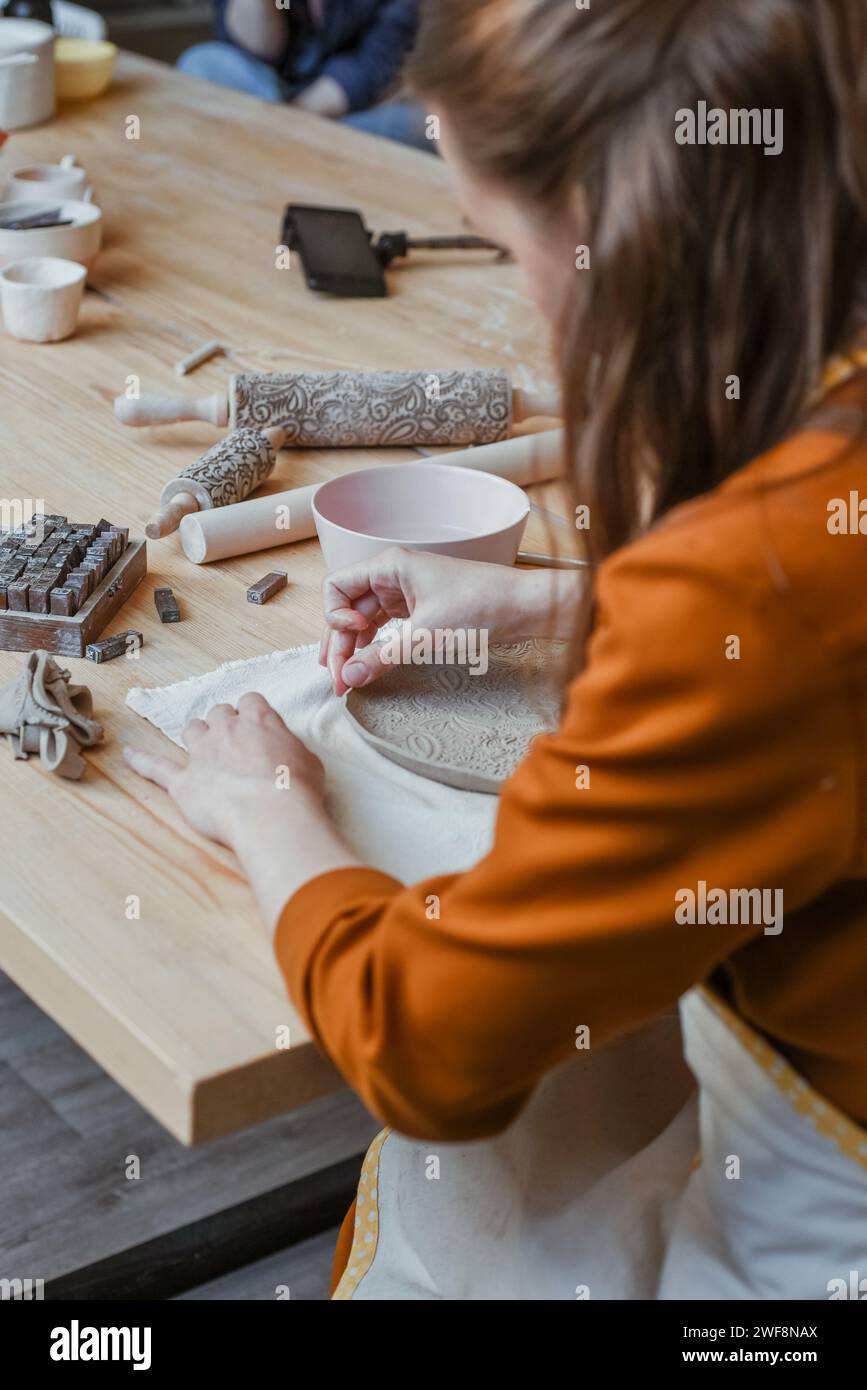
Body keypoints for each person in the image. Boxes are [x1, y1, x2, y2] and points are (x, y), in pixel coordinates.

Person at [130, 0, 867, 1299]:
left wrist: (269, 810)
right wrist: (564, 607)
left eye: (500, 241)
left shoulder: (750, 576)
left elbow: (428, 1048)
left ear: (611, 234)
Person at [177, 0, 429, 150]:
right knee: (201, 64)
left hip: (350, 105)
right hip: (271, 88)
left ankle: (272, 145)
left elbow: (372, 64)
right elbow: (262, 48)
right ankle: (296, 147)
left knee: (422, 125)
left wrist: (287, 121)